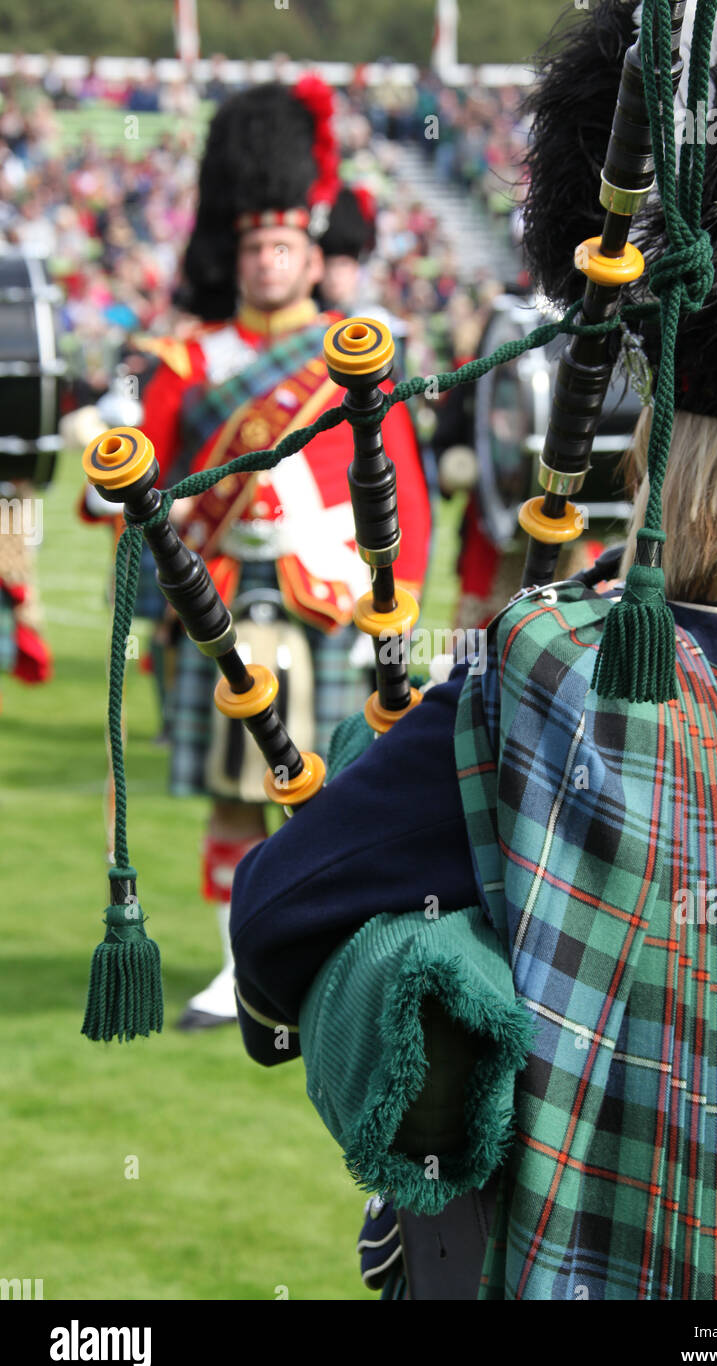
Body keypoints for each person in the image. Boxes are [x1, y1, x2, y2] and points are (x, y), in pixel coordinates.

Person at [228, 0, 717, 1299]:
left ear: (646, 407)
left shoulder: (528, 680)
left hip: (607, 1246)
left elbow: (277, 919)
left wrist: (442, 926)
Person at [136, 80, 431, 1030]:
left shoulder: (350, 356)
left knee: (336, 793)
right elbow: (145, 497)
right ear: (236, 251)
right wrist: (150, 608)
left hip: (328, 599)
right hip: (220, 599)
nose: (265, 263)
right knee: (233, 794)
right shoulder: (191, 361)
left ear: (313, 254)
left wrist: (397, 593)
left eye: (283, 247)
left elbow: (402, 485)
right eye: (253, 247)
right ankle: (235, 973)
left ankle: (330, 969)